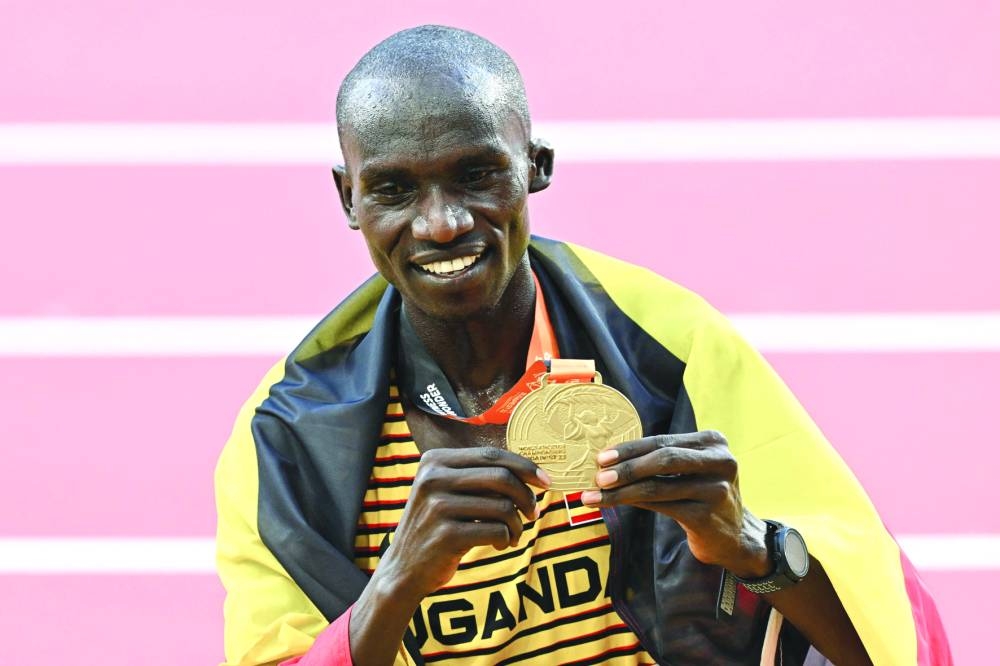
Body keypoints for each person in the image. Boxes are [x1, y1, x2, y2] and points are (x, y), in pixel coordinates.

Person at [215, 25, 950, 666]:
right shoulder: (287, 439)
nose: (440, 223)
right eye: (395, 190)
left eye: (476, 175)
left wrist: (750, 547)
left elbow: (886, 641)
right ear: (349, 199)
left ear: (535, 165)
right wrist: (397, 581)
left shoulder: (672, 350)